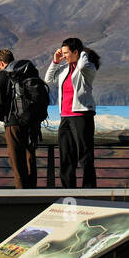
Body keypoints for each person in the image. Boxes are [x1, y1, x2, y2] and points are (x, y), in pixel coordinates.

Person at [44, 37, 100, 188]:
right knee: (66, 156)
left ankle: (89, 190)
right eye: (62, 53)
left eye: (66, 53)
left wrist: (82, 53)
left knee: (85, 156)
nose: (64, 56)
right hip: (66, 117)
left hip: (82, 116)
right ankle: (68, 190)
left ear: (76, 52)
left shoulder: (88, 68)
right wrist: (55, 61)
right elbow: (48, 79)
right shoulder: (64, 70)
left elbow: (81, 66)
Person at [0, 49, 46, 188]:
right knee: (30, 159)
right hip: (32, 123)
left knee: (17, 162)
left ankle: (21, 195)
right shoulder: (28, 72)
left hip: (13, 123)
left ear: (1, 63)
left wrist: (4, 117)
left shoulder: (3, 75)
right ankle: (32, 193)